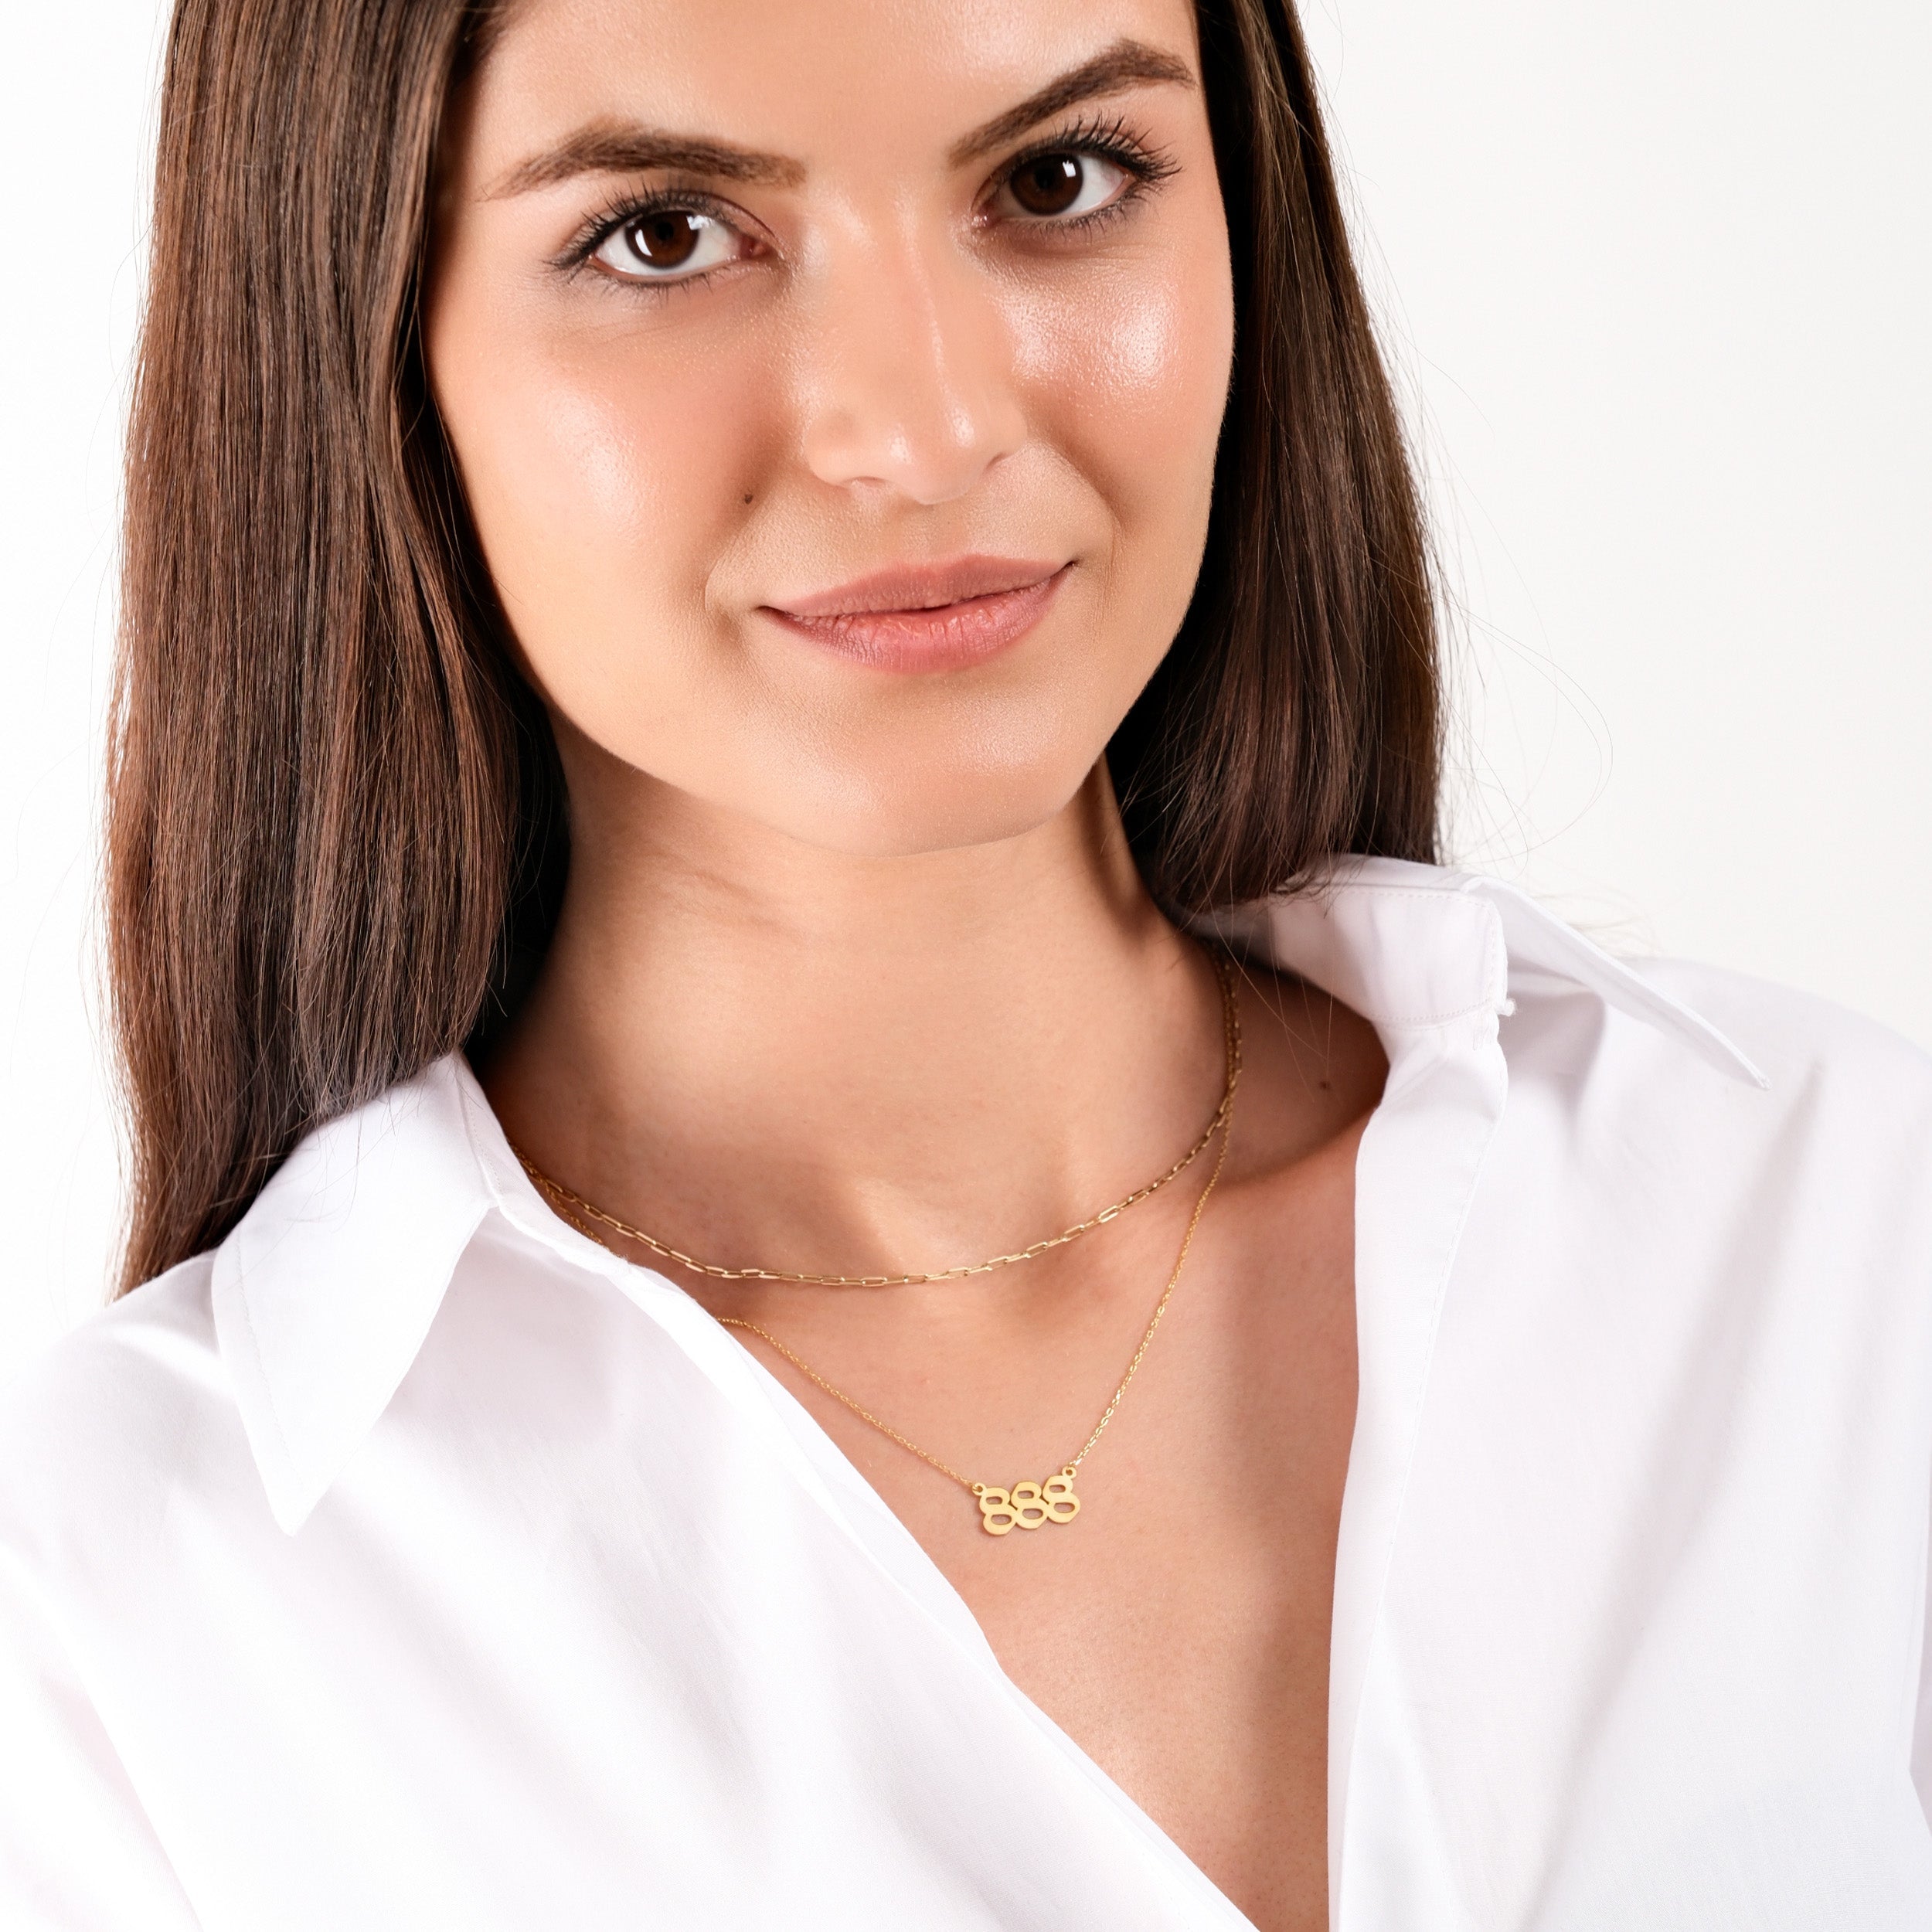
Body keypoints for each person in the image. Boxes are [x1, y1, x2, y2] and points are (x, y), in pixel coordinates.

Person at [2, 0, 1929, 1926]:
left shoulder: (1835, 1235)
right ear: (357, 337)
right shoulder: (132, 1608)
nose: (923, 428)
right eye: (662, 232)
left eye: (1057, 178)